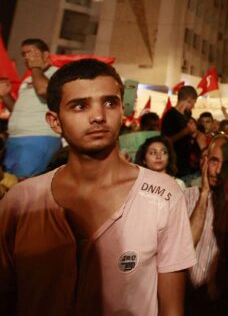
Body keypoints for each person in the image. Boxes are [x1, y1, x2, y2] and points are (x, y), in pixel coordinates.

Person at [0, 59, 196, 315]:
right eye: (79, 106)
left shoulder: (163, 194)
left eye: (110, 103)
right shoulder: (20, 202)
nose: (98, 116)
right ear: (54, 121)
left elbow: (172, 309)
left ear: (122, 110)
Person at [183, 134, 228, 315]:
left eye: (226, 164)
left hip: (225, 301)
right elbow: (185, 246)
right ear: (204, 161)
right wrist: (203, 196)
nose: (217, 171)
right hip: (189, 299)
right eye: (214, 161)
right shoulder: (185, 197)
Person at [0, 39, 61, 178]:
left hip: (38, 139)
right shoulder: (28, 79)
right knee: (9, 183)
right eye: (24, 54)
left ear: (46, 55)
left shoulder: (57, 74)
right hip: (15, 139)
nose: (27, 57)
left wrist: (35, 68)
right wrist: (6, 96)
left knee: (24, 186)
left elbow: (43, 90)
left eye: (31, 52)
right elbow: (18, 110)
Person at [161, 85, 199, 178]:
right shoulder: (170, 115)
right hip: (175, 164)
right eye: (193, 103)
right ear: (189, 100)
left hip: (187, 163)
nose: (193, 106)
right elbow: (165, 140)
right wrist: (185, 132)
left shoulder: (187, 115)